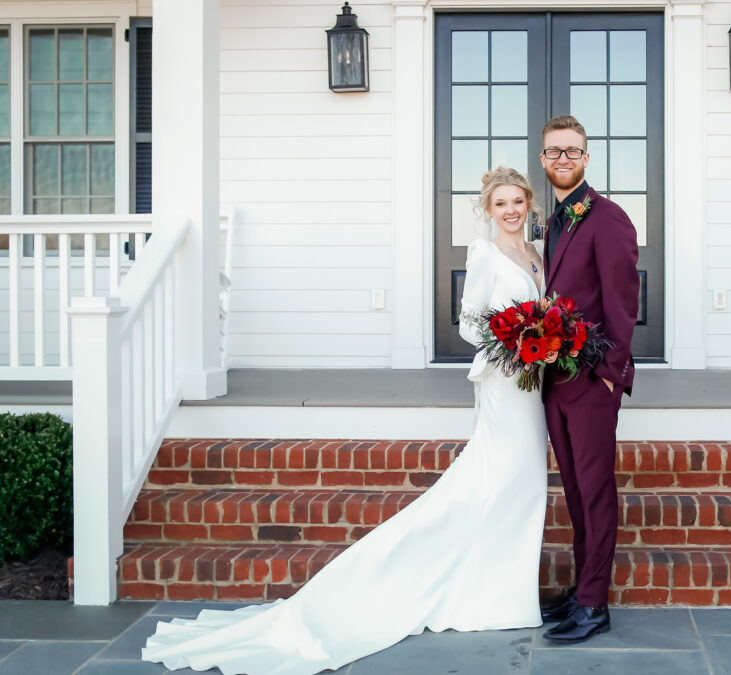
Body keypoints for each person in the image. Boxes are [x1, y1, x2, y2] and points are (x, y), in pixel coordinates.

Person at [141, 166, 549, 675]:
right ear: (488, 209)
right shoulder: (484, 253)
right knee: (499, 480)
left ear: (529, 204)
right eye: (500, 203)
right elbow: (468, 323)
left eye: (517, 202)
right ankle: (466, 590)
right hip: (505, 381)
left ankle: (498, 593)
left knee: (521, 484)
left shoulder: (536, 252)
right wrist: (511, 342)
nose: (510, 211)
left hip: (535, 383)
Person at [537, 115, 640, 644]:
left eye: (572, 151)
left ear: (586, 158)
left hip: (592, 380)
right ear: (543, 159)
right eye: (554, 151)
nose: (563, 159)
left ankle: (595, 604)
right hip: (554, 381)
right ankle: (582, 590)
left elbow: (623, 304)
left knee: (596, 492)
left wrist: (610, 376)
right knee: (575, 491)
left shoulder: (608, 217)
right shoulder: (553, 220)